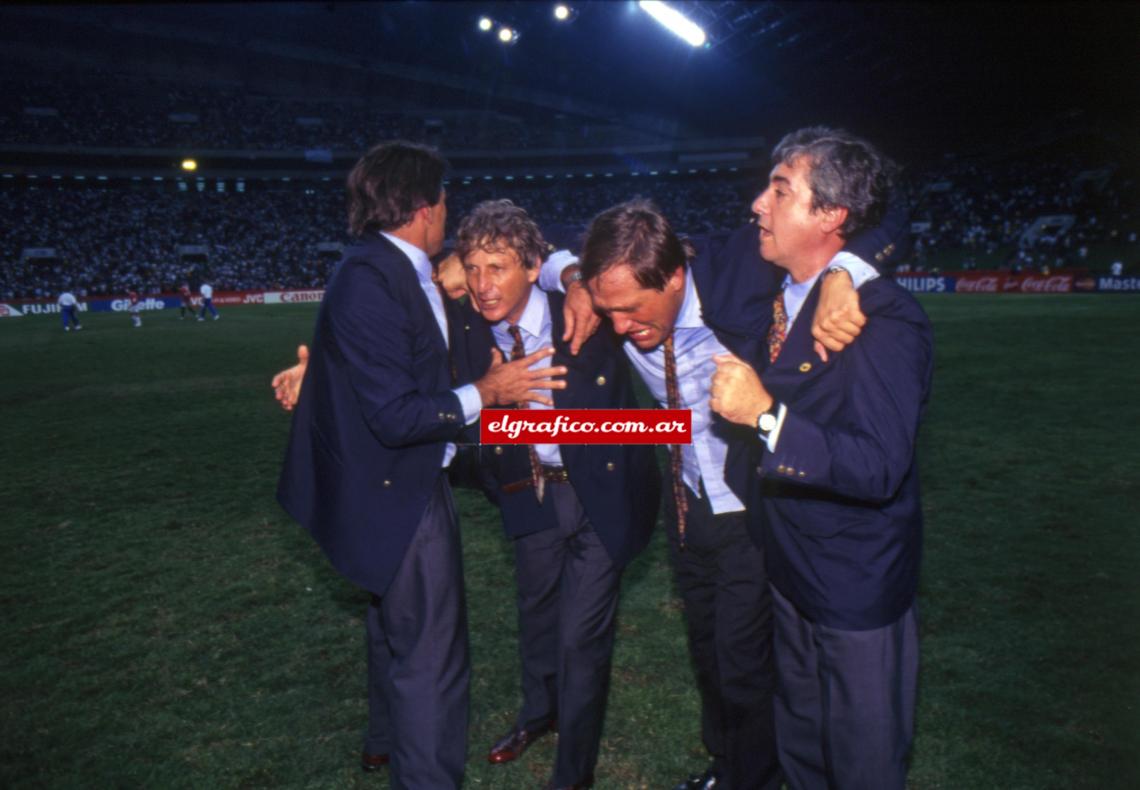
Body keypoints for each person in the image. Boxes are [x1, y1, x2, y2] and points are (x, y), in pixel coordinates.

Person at [555, 195, 894, 790]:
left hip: (753, 503)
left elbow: (886, 216)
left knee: (742, 662)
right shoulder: (613, 295)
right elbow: (542, 243)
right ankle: (728, 766)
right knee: (709, 651)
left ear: (675, 277)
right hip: (686, 503)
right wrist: (574, 278)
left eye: (633, 309)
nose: (620, 328)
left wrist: (845, 273)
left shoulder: (739, 264)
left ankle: (759, 778)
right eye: (608, 311)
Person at [276, 141, 565, 788]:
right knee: (433, 658)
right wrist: (488, 393)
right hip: (401, 489)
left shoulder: (401, 272)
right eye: (443, 201)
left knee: (392, 627)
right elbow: (399, 414)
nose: (446, 211)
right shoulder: (373, 277)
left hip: (391, 484)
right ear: (422, 207)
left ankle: (383, 741)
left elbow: (389, 362)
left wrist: (320, 372)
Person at [708, 127, 933, 789]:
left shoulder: (885, 322)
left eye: (779, 191)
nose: (758, 204)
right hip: (790, 571)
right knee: (803, 749)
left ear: (831, 215)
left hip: (856, 587)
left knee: (863, 763)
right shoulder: (776, 292)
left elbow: (878, 467)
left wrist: (766, 418)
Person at [452, 200, 660, 790]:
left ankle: (573, 776)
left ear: (532, 267)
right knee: (537, 620)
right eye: (472, 266)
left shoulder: (587, 309)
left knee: (580, 641)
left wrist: (572, 276)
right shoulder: (463, 329)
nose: (483, 284)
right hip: (528, 495)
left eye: (498, 267)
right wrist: (490, 398)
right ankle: (537, 715)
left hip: (602, 499)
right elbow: (442, 415)